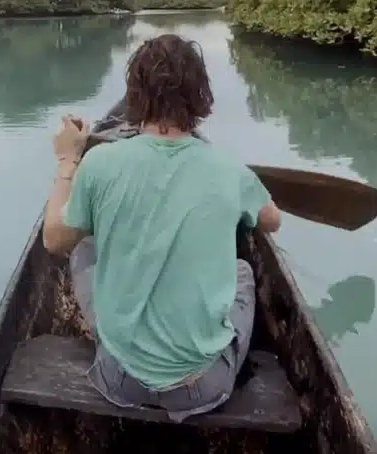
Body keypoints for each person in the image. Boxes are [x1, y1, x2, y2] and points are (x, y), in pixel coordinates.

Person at [41, 33, 282, 421]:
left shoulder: (98, 164)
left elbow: (53, 239)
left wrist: (69, 159)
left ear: (136, 97)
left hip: (119, 380)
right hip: (203, 386)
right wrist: (243, 196)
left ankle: (108, 335)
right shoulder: (230, 169)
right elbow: (272, 221)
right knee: (241, 269)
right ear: (201, 96)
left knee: (84, 248)